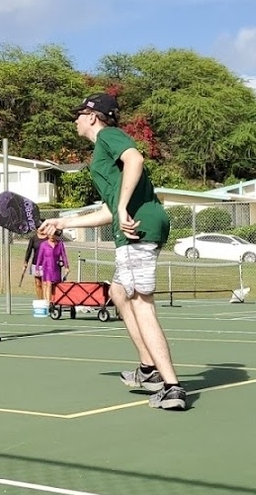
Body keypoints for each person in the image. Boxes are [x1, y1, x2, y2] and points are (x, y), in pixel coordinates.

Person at [39, 93, 187, 410]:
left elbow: (136, 159)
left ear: (93, 116)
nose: (75, 119)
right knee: (119, 292)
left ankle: (172, 386)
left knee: (141, 303)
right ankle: (148, 369)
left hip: (138, 226)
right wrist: (63, 222)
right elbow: (107, 211)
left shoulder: (108, 135)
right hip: (137, 223)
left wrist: (122, 208)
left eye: (79, 114)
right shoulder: (102, 156)